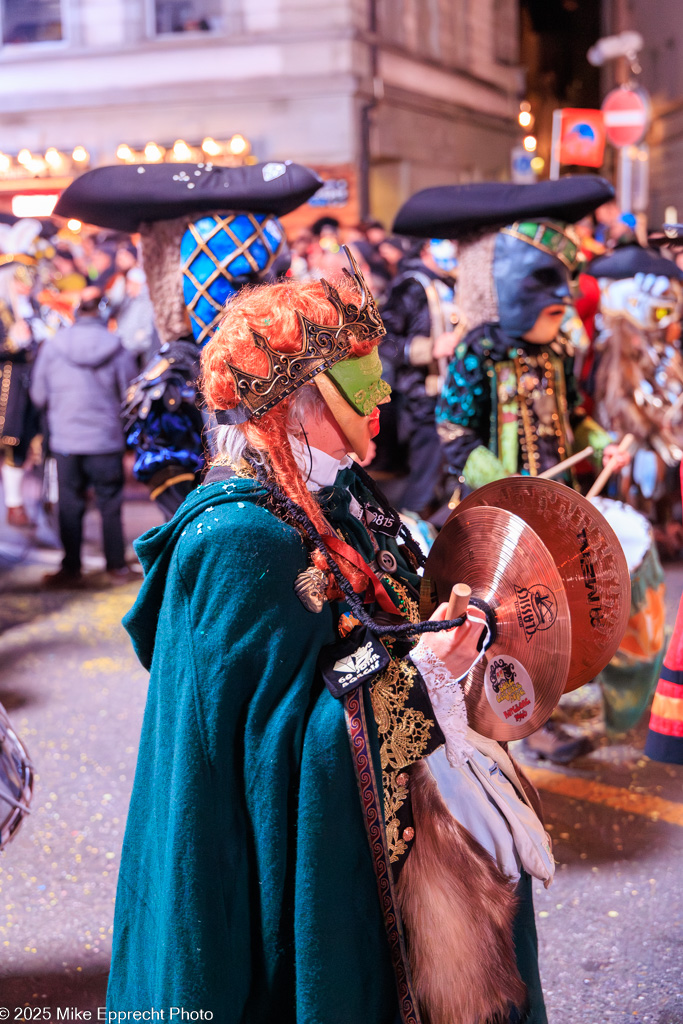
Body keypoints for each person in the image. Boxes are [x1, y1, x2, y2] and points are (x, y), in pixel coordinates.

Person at [108, 250, 555, 1023]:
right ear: (292, 400)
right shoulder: (239, 539)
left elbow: (369, 630)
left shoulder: (334, 487)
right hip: (303, 895)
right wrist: (419, 677)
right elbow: (266, 765)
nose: (383, 392)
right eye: (358, 381)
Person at [393, 177, 631, 764]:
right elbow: (454, 433)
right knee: (508, 623)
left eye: (567, 283)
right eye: (546, 280)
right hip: (498, 525)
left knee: (557, 617)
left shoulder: (556, 351)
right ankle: (514, 720)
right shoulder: (479, 351)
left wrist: (604, 448)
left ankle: (543, 703)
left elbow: (574, 419)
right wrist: (511, 492)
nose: (564, 296)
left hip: (557, 510)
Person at [55, 161, 323, 517]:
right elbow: (181, 502)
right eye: (236, 278)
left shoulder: (294, 355)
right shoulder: (178, 376)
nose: (257, 295)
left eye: (268, 276)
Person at [29, 287, 137, 587]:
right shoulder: (117, 347)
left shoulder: (53, 347)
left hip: (66, 439)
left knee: (69, 504)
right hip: (106, 439)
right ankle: (115, 565)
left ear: (76, 315)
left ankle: (71, 567)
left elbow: (38, 395)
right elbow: (130, 394)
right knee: (110, 502)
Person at [380, 237, 459, 514]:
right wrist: (428, 349)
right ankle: (408, 532)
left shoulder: (449, 283)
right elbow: (383, 337)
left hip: (452, 392)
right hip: (422, 396)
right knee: (425, 474)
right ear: (427, 247)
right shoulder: (410, 286)